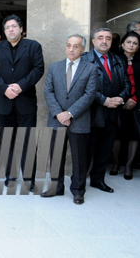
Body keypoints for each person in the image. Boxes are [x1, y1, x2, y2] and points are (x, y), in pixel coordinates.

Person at [0, 14, 44, 190]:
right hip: (4, 101)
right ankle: (10, 176)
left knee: (27, 140)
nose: (10, 30)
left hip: (25, 100)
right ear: (4, 32)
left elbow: (38, 69)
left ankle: (29, 178)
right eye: (7, 27)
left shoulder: (33, 46)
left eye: (13, 26)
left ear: (21, 28)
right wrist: (5, 88)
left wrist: (20, 87)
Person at [43, 34, 98, 204]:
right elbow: (48, 91)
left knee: (79, 158)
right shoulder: (55, 67)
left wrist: (70, 113)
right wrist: (59, 113)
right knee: (56, 155)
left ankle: (78, 191)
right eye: (69, 45)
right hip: (56, 119)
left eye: (76, 46)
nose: (71, 49)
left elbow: (89, 95)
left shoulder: (90, 68)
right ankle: (56, 187)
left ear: (82, 49)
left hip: (79, 120)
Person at [82, 28, 130, 193]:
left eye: (108, 38)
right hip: (92, 113)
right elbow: (81, 87)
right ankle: (79, 183)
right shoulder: (84, 59)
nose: (104, 41)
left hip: (112, 113)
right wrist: (103, 100)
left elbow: (127, 84)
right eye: (100, 38)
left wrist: (121, 98)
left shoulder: (118, 60)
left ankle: (98, 180)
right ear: (93, 41)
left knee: (105, 149)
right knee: (87, 151)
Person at [111, 31, 140, 180]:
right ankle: (116, 163)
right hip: (119, 102)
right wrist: (123, 99)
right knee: (118, 134)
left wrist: (134, 99)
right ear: (122, 44)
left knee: (133, 135)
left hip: (136, 104)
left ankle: (129, 165)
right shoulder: (116, 59)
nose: (131, 45)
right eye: (129, 42)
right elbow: (114, 82)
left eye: (135, 43)